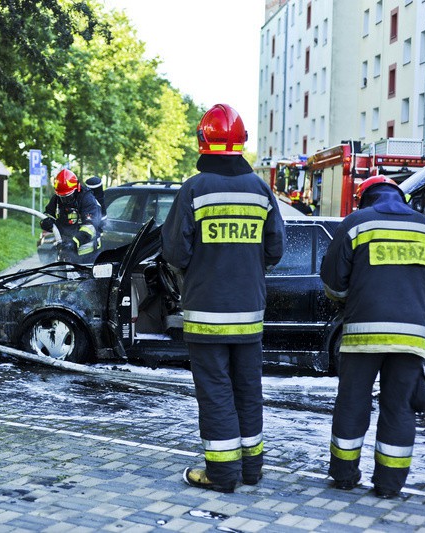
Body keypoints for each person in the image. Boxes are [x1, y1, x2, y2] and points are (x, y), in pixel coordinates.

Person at [162, 103, 286, 493]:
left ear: (203, 141)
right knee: (248, 389)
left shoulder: (194, 189)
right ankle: (251, 469)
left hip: (205, 313)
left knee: (215, 390)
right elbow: (275, 249)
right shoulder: (261, 190)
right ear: (242, 142)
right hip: (250, 313)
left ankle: (221, 474)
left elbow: (175, 254)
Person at [320, 175, 425, 499]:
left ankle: (344, 476)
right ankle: (389, 486)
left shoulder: (356, 224)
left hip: (363, 332)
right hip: (411, 336)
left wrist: (352, 298)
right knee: (400, 407)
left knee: (352, 402)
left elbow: (334, 283)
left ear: (366, 198)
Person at [40, 169, 102, 262]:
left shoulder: (87, 199)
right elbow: (48, 215)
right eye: (62, 197)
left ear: (77, 188)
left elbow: (90, 227)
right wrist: (46, 223)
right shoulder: (57, 199)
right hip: (65, 252)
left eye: (68, 196)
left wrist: (74, 243)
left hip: (87, 256)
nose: (65, 200)